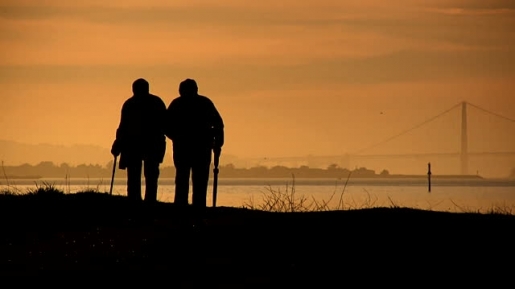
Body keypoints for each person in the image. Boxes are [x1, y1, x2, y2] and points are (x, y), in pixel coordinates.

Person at [165, 78, 224, 211]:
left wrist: (218, 143)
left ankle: (194, 207)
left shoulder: (203, 103)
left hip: (199, 147)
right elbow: (167, 125)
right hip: (187, 147)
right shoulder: (179, 104)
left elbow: (219, 124)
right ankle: (184, 206)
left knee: (197, 179)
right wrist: (176, 137)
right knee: (184, 178)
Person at [111, 78, 167, 202]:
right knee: (145, 174)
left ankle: (138, 199)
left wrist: (118, 143)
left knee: (140, 174)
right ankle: (146, 200)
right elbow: (166, 124)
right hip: (144, 144)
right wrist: (118, 144)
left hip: (141, 144)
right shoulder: (156, 102)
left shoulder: (130, 104)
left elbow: (123, 127)